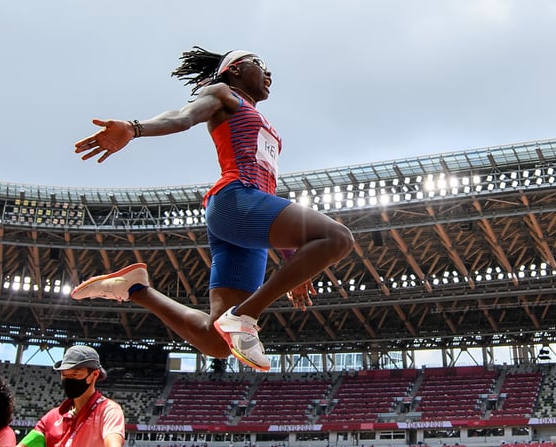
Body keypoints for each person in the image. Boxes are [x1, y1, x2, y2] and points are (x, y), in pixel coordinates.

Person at [71, 47, 354, 372]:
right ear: (234, 70)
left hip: (249, 222)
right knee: (338, 237)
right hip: (235, 200)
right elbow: (181, 117)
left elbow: (270, 202)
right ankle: (245, 316)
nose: (269, 74)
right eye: (260, 65)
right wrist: (134, 128)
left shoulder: (260, 118)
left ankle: (136, 288)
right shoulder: (223, 93)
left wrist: (296, 265)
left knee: (217, 342)